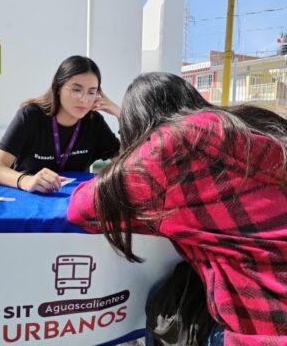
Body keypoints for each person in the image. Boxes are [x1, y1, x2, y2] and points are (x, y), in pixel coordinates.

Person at [67, 72, 287, 345]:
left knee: (165, 310)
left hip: (265, 327)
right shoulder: (249, 126)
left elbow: (82, 207)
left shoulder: (169, 149)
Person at [0, 55, 120, 193]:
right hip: (28, 199)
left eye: (91, 92)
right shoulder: (31, 115)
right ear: (59, 87)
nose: (84, 99)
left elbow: (128, 165)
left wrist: (121, 115)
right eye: (76, 90)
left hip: (73, 202)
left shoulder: (94, 121)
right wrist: (26, 181)